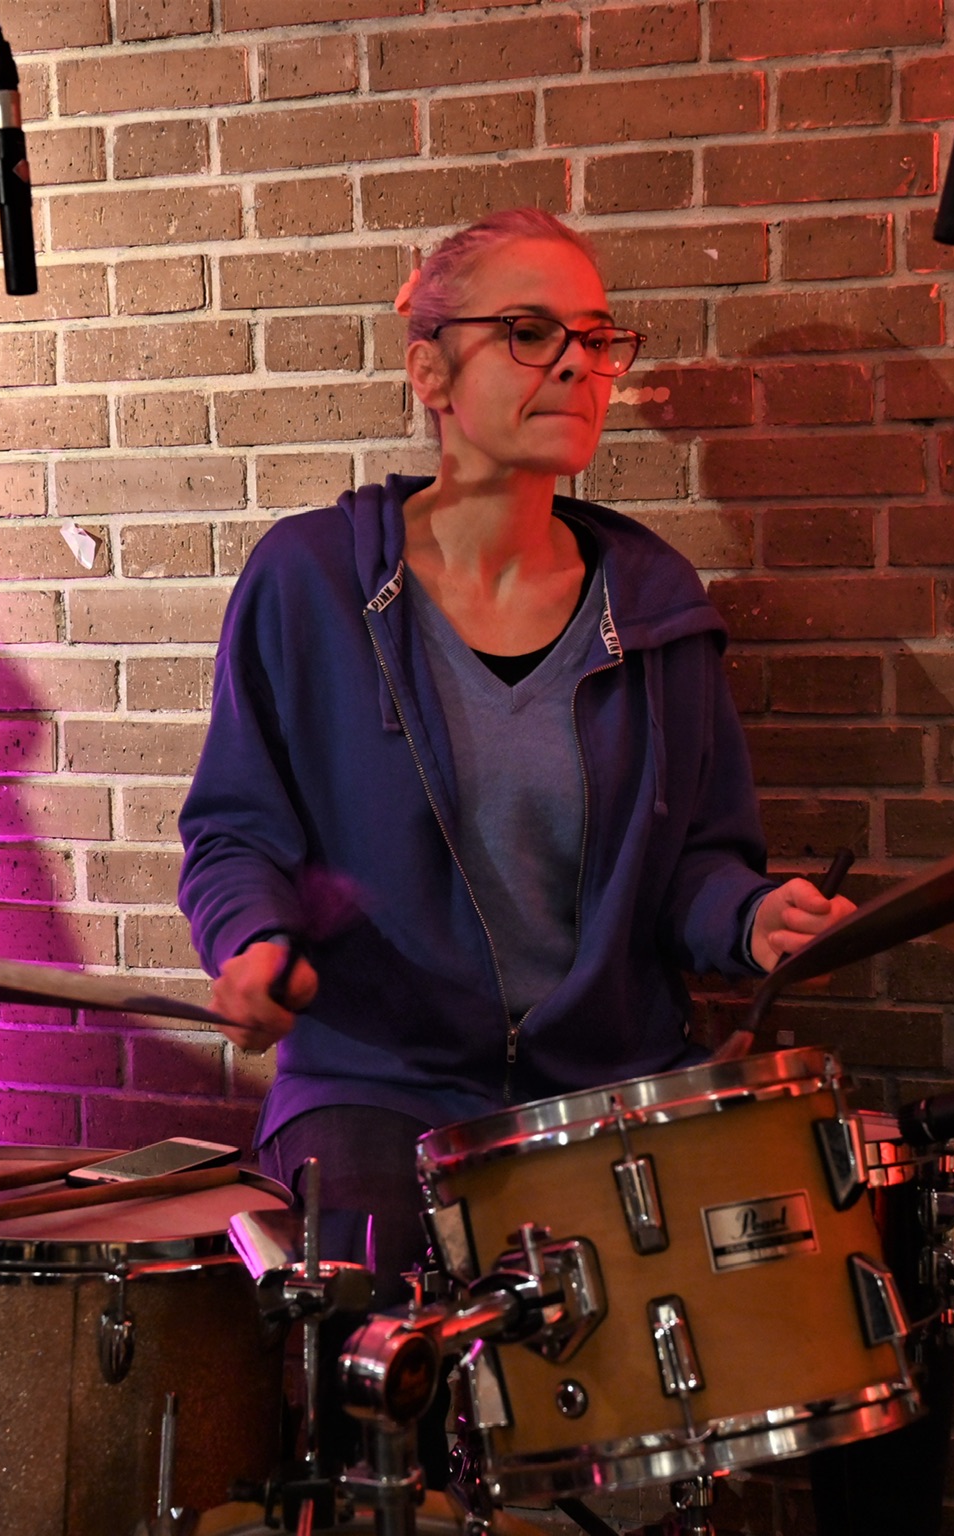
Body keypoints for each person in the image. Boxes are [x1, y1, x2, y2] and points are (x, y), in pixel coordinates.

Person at [177, 207, 853, 1291]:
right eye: (530, 333)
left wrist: (749, 915)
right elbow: (236, 829)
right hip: (380, 1079)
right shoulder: (311, 582)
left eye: (595, 337)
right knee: (373, 1294)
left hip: (607, 1081)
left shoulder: (655, 603)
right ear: (430, 372)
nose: (577, 365)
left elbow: (694, 863)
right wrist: (250, 939)